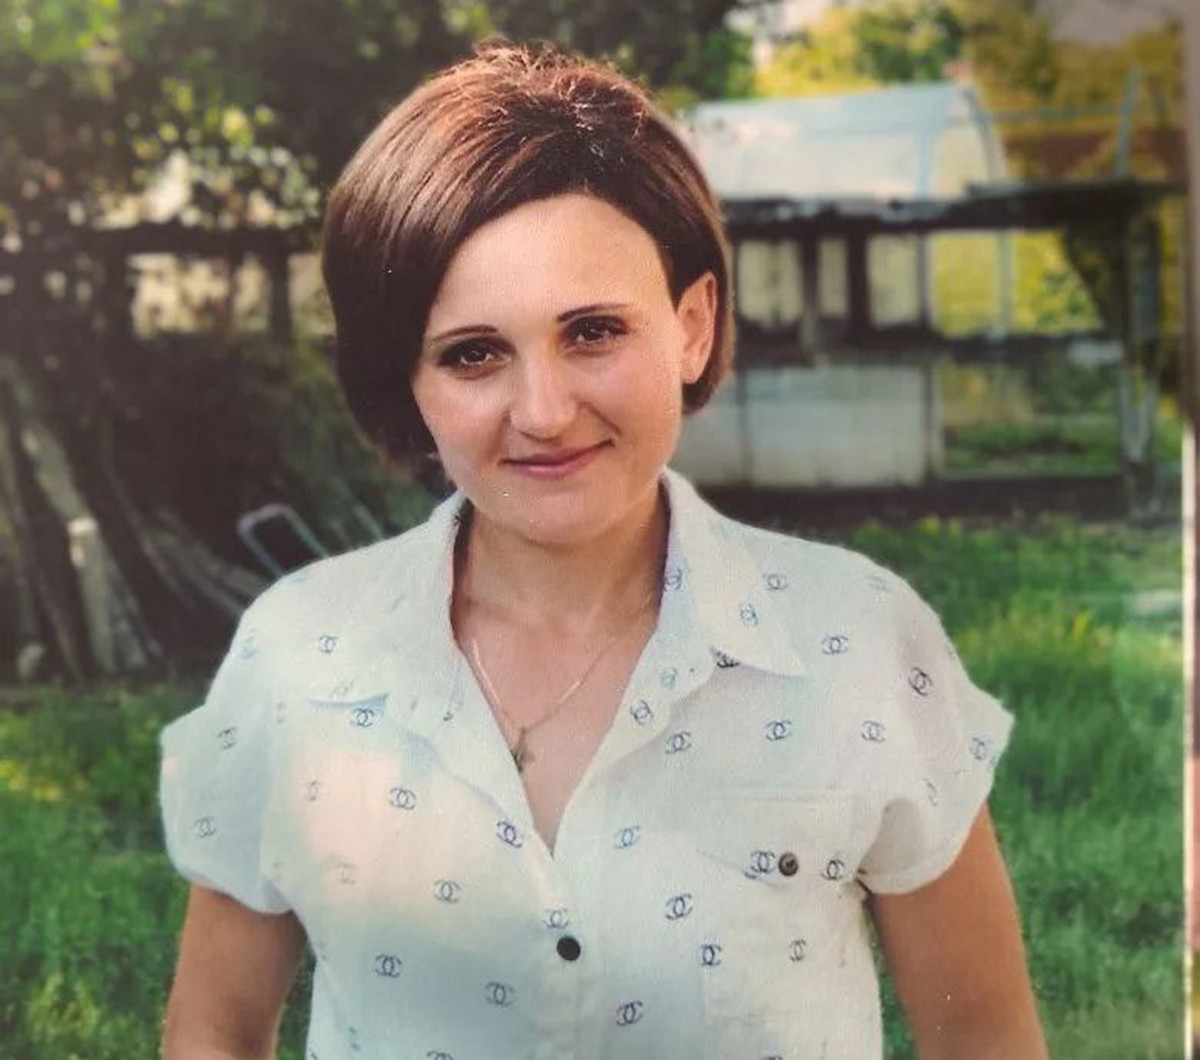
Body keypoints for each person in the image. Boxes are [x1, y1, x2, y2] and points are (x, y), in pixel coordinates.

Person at [159, 39, 1048, 1060]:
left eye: (591, 332)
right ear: (409, 379)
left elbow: (984, 1037)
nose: (543, 411)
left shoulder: (859, 644)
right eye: (474, 354)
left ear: (692, 327)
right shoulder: (298, 658)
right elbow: (214, 1029)